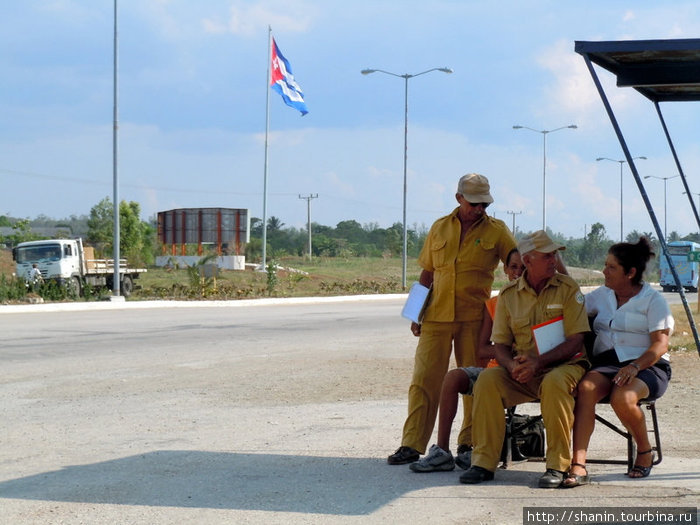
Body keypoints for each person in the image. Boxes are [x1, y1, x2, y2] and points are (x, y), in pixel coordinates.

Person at [387, 173, 517, 466]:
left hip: (475, 319)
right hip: (436, 317)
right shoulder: (439, 227)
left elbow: (515, 261)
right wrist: (415, 312)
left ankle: (468, 444)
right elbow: (427, 274)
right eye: (474, 203)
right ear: (459, 198)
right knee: (424, 380)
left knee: (473, 382)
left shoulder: (498, 231)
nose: (479, 209)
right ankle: (412, 443)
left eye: (484, 204)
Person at [460, 230, 590, 488]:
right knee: (487, 381)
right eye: (548, 256)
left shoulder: (567, 288)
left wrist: (538, 363)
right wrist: (510, 366)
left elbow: (576, 340)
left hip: (565, 367)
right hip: (523, 371)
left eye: (555, 255)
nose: (554, 260)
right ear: (529, 261)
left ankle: (557, 466)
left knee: (554, 382)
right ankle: (484, 462)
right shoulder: (509, 295)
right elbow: (500, 344)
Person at [563, 238, 673, 487]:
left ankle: (644, 451)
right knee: (586, 389)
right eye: (605, 265)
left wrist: (635, 366)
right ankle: (578, 464)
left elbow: (660, 344)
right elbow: (570, 306)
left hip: (648, 364)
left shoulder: (653, 300)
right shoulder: (600, 296)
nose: (604, 271)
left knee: (622, 397)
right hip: (608, 362)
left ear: (631, 273)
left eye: (611, 267)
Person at [409, 248, 525, 472]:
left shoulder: (536, 300)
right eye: (513, 267)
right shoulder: (493, 304)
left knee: (485, 387)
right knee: (442, 379)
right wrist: (415, 313)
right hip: (491, 365)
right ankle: (436, 449)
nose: (518, 273)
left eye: (524, 268)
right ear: (505, 270)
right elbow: (426, 274)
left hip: (523, 370)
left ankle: (473, 446)